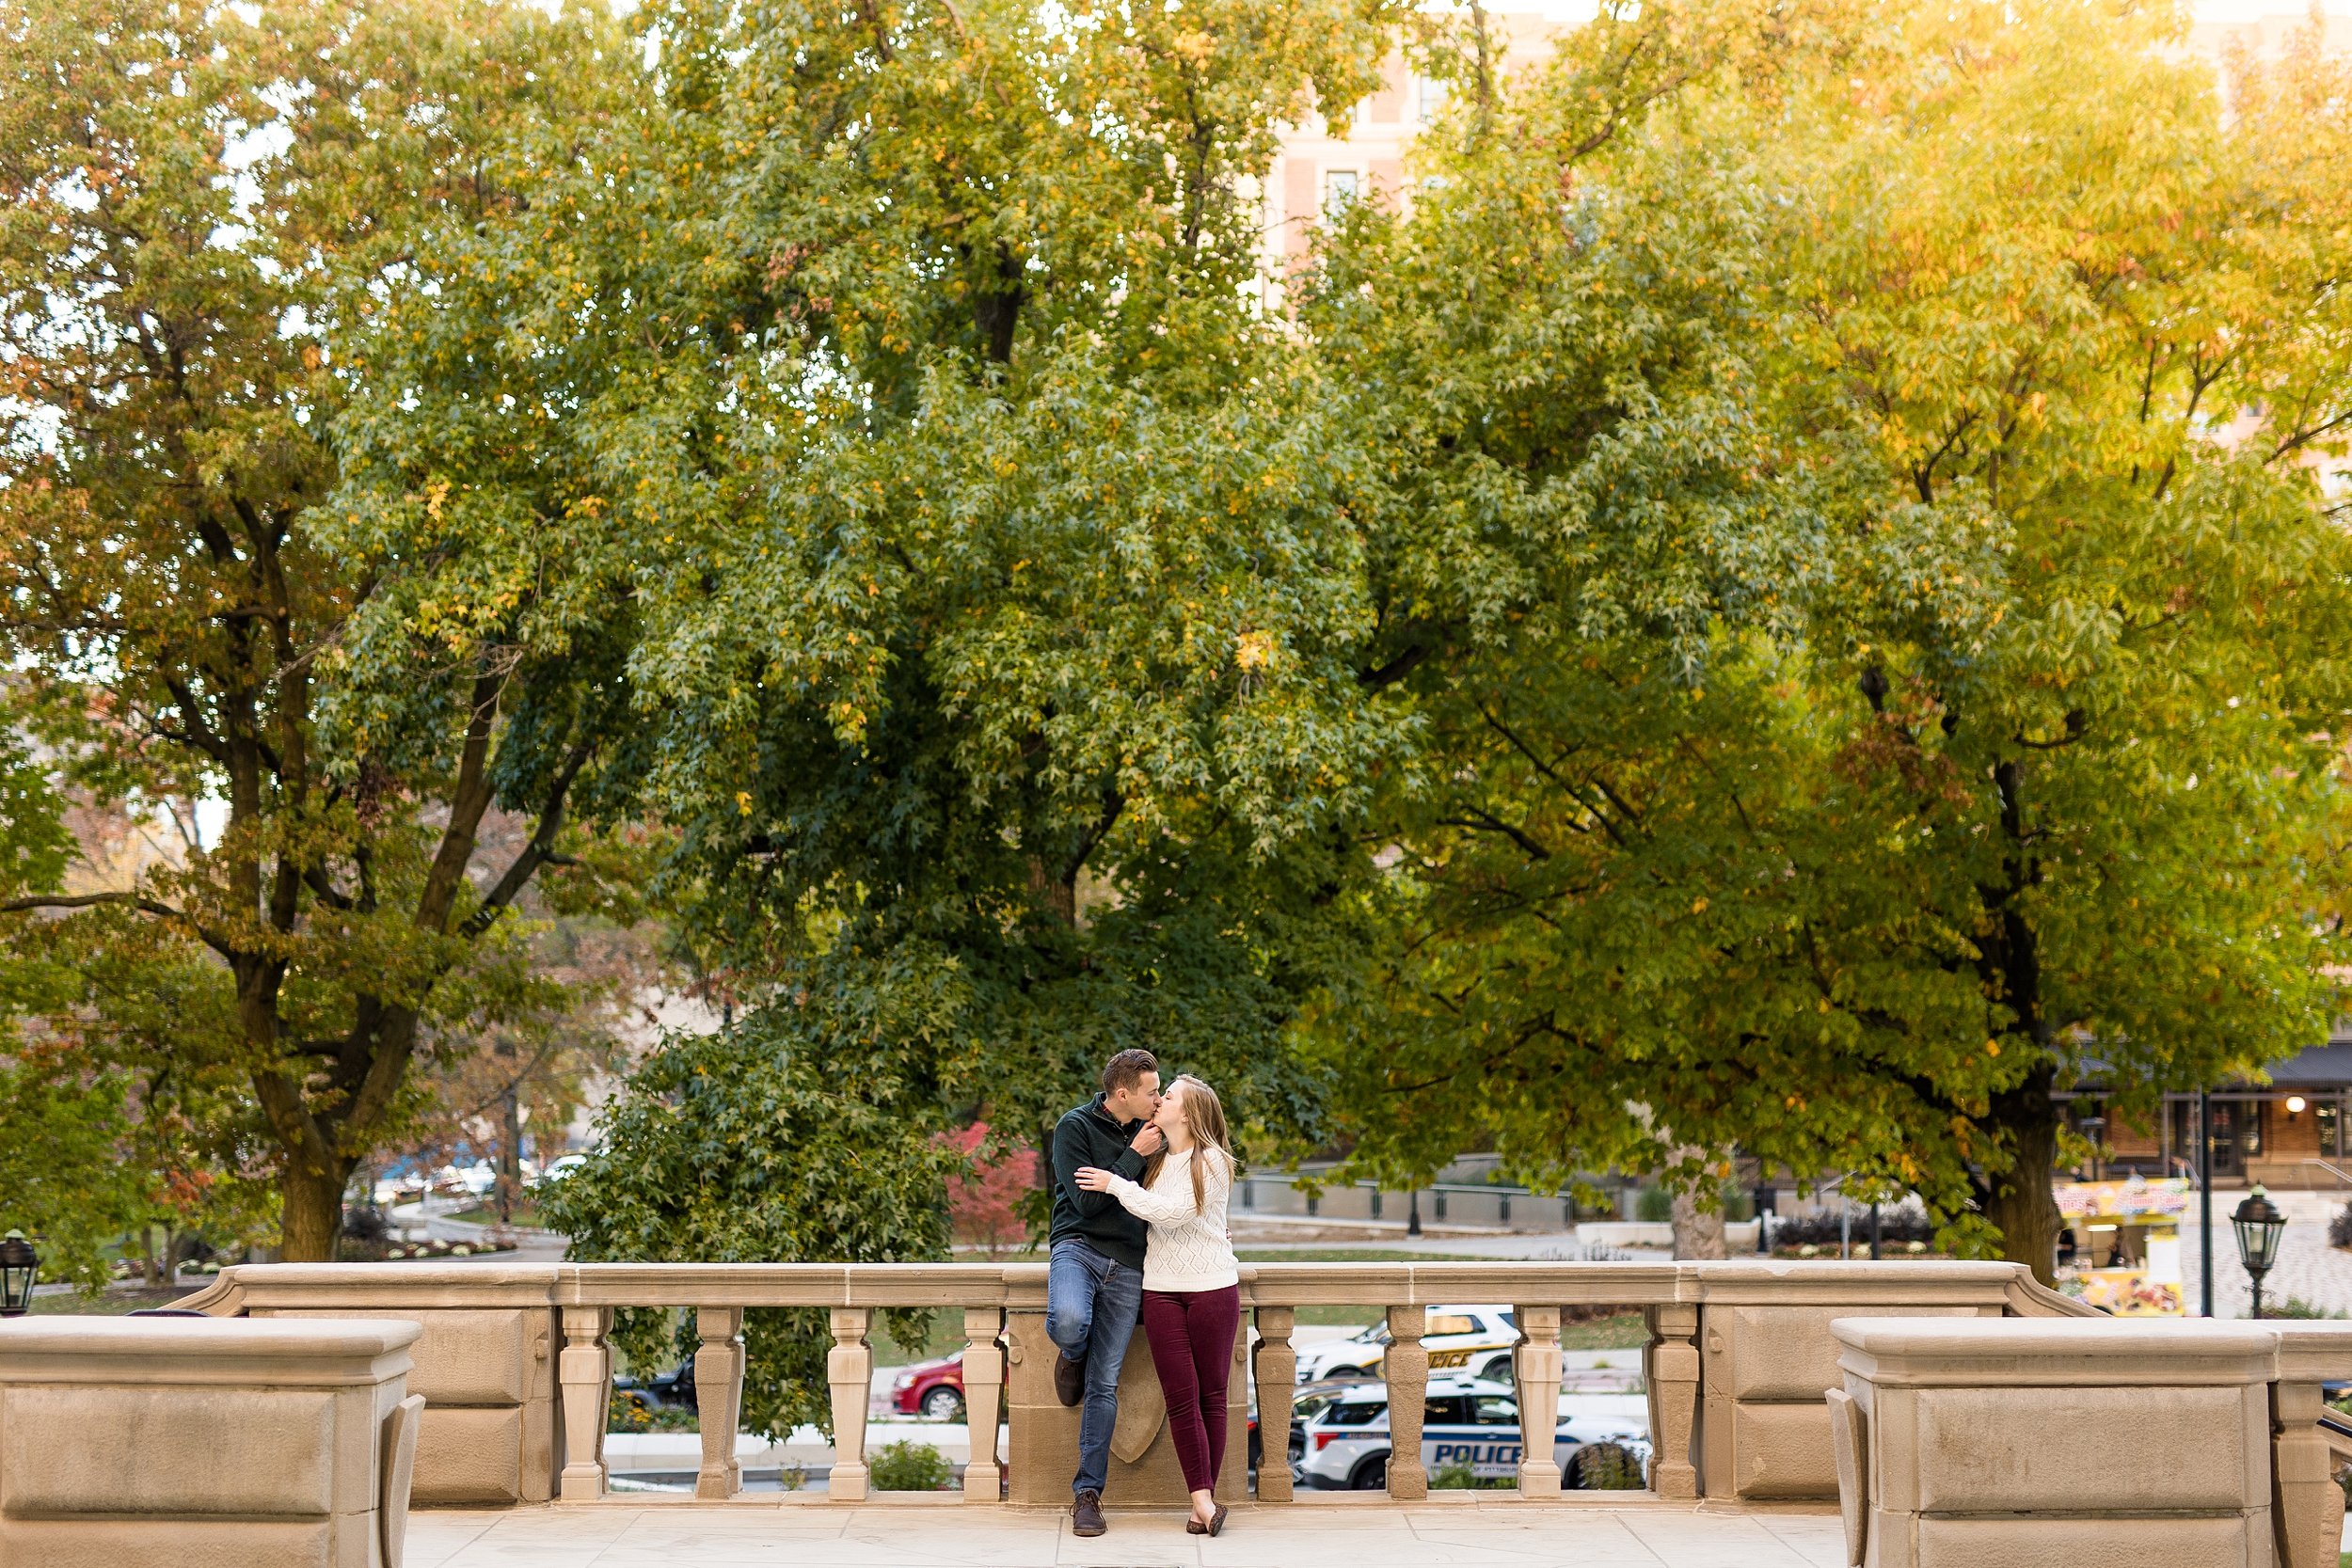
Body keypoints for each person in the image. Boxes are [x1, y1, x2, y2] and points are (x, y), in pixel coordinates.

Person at [1074, 1073, 1241, 1538]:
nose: (1159, 1099)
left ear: (1186, 1114)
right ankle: (1204, 1502)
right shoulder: (1155, 1162)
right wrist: (1123, 1178)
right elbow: (1148, 1217)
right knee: (1181, 1398)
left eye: (1167, 1096)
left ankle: (1199, 1503)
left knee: (1212, 1396)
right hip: (1162, 1288)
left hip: (1212, 1288)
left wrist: (1113, 1183)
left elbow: (1172, 1213)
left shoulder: (1211, 1161)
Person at [1046, 1048, 1165, 1538]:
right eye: (1151, 1092)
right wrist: (1134, 1156)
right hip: (1079, 1247)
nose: (1159, 1100)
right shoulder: (1074, 1128)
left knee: (1105, 1383)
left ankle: (1087, 1495)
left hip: (1132, 1263)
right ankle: (1072, 1353)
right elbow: (1089, 1202)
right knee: (1070, 1322)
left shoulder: (1161, 1132)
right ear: (1123, 1094)